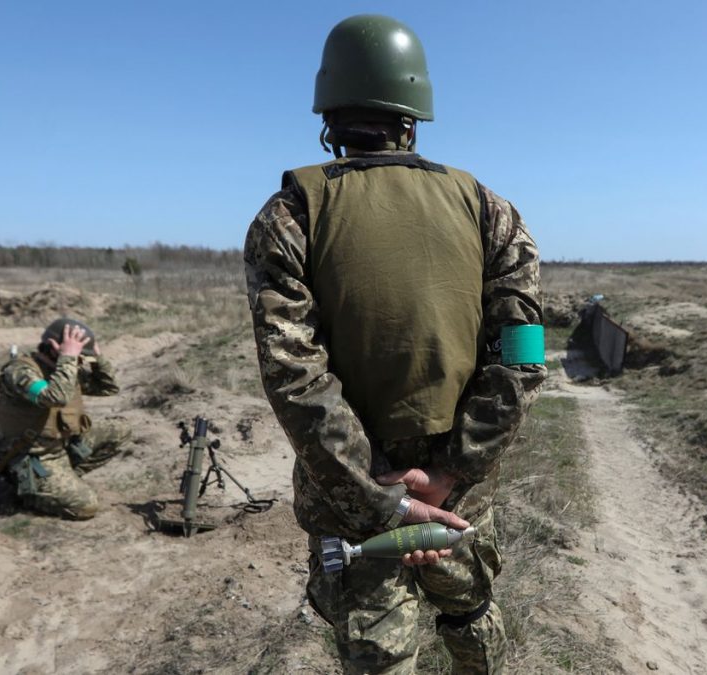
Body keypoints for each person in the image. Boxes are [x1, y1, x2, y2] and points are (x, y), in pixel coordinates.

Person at [243, 14, 547, 674]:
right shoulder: (490, 209)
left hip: (352, 501)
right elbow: (522, 356)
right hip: (457, 497)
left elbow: (294, 375)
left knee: (378, 653)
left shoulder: (290, 215)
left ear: (328, 115)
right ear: (413, 116)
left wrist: (380, 496)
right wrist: (450, 473)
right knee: (470, 616)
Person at [0, 318, 119, 519]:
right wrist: (68, 358)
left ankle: (62, 479)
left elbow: (108, 388)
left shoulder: (63, 369)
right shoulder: (20, 372)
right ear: (52, 348)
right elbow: (54, 397)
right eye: (78, 357)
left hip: (62, 446)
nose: (79, 362)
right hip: (34, 456)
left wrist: (97, 358)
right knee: (86, 507)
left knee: (120, 430)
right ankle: (29, 491)